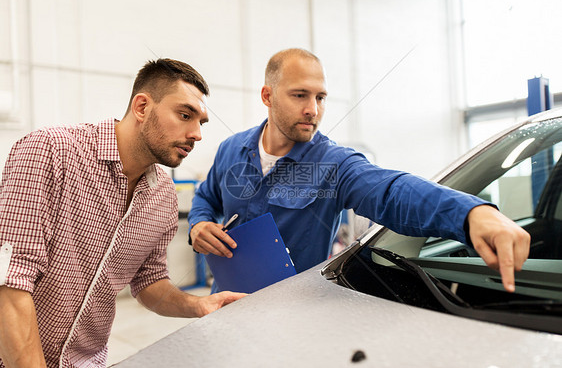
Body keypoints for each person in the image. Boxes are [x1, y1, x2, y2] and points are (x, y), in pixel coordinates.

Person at [188, 48, 530, 295]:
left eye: (321, 97)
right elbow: (206, 197)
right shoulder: (232, 150)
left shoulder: (333, 163)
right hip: (225, 300)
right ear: (268, 95)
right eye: (300, 95)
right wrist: (199, 225)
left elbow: (390, 191)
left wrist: (471, 213)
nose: (313, 110)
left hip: (289, 311)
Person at [0, 58, 245, 368]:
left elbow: (149, 283)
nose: (196, 134)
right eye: (185, 115)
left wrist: (199, 305)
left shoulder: (163, 196)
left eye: (201, 123)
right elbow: (10, 279)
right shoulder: (52, 151)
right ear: (141, 107)